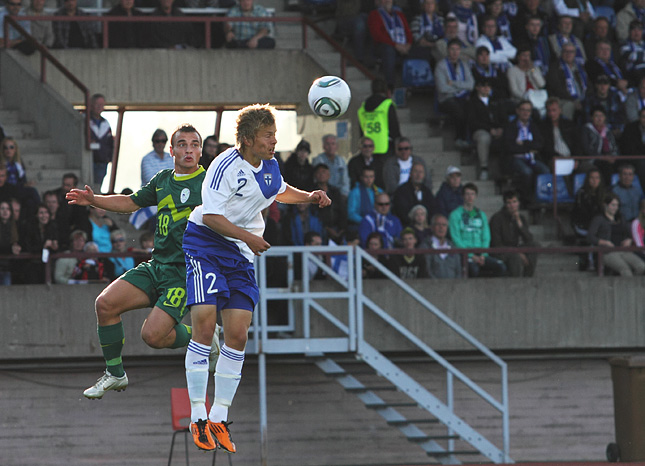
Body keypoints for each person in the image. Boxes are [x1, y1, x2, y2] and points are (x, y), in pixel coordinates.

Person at [181, 104, 331, 453]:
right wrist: (248, 237)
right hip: (206, 242)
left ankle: (218, 418)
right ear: (248, 140)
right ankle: (197, 416)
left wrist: (308, 197)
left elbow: (278, 190)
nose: (274, 141)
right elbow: (214, 216)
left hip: (240, 252)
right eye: (268, 136)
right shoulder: (223, 166)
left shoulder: (270, 166)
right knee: (204, 325)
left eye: (274, 135)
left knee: (238, 333)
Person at [65, 123, 207, 400]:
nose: (189, 149)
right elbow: (130, 202)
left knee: (152, 337)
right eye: (182, 144)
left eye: (194, 144)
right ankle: (115, 373)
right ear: (172, 151)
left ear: (201, 151)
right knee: (105, 304)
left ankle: (203, 335)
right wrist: (95, 200)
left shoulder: (210, 183)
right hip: (157, 266)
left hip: (184, 273)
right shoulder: (163, 179)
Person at [448, 182, 506, 277]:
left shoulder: (481, 214)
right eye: (467, 194)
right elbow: (456, 239)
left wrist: (483, 254)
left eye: (472, 194)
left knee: (501, 267)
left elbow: (486, 236)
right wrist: (471, 255)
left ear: (476, 196)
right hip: (464, 253)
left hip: (481, 252)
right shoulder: (455, 215)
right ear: (462, 196)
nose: (470, 197)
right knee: (473, 269)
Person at [587, 193, 645, 276]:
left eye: (617, 205)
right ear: (605, 205)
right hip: (607, 252)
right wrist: (604, 242)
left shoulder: (621, 218)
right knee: (625, 270)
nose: (615, 208)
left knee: (642, 267)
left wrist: (629, 239)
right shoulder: (599, 219)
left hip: (623, 250)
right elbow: (590, 237)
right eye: (613, 205)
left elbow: (629, 233)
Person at [504, 100, 549, 203]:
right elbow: (510, 147)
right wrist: (529, 146)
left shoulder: (534, 126)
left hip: (532, 157)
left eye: (528, 111)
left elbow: (540, 143)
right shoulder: (510, 126)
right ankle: (526, 198)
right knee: (527, 172)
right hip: (516, 158)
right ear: (517, 111)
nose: (526, 113)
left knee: (545, 170)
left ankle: (542, 196)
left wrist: (523, 143)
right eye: (523, 110)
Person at [489, 189, 539, 277]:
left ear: (518, 203)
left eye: (514, 202)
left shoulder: (521, 218)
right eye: (509, 203)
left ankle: (528, 278)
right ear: (505, 204)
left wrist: (520, 224)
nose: (512, 205)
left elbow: (529, 239)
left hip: (514, 249)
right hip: (500, 251)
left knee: (533, 245)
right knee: (515, 256)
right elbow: (496, 244)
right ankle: (516, 283)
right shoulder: (496, 218)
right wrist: (517, 252)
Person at [435, 38, 475, 147]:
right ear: (448, 50)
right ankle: (459, 138)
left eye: (457, 49)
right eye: (452, 49)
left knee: (471, 108)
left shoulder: (464, 65)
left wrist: (453, 83)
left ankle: (469, 139)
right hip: (446, 99)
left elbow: (471, 85)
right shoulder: (441, 66)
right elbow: (442, 88)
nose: (455, 52)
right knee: (458, 110)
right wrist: (461, 87)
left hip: (462, 97)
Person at [367, 0, 413, 88]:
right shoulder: (374, 15)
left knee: (418, 50)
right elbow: (378, 36)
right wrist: (395, 45)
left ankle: (413, 84)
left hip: (402, 46)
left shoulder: (399, 15)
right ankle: (390, 86)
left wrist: (408, 44)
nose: (387, 1)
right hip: (383, 46)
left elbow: (408, 32)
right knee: (389, 51)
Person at [467, 78, 505, 182]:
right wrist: (489, 129)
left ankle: (506, 169)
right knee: (484, 138)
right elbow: (472, 122)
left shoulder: (496, 101)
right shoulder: (472, 102)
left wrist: (500, 128)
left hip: (497, 129)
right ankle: (484, 168)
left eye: (488, 86)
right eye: (483, 86)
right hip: (480, 130)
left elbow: (503, 118)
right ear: (477, 88)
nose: (486, 88)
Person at [357, 78, 401, 158]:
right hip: (386, 148)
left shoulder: (363, 108)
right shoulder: (387, 105)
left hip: (368, 149)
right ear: (385, 89)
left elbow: (361, 130)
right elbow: (394, 127)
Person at [546, 42, 589, 120]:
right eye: (566, 51)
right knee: (569, 105)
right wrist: (574, 100)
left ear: (575, 54)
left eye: (571, 52)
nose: (569, 54)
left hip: (582, 98)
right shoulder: (555, 67)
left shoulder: (580, 67)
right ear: (561, 53)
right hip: (564, 99)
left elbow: (588, 84)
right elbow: (557, 88)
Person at [20, 203, 59, 284]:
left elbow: (58, 246)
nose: (44, 215)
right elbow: (29, 247)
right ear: (36, 215)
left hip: (48, 266)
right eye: (41, 213)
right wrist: (43, 246)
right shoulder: (30, 228)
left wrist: (54, 246)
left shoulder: (53, 227)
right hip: (33, 266)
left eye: (46, 212)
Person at [540, 97, 581, 170]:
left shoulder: (569, 124)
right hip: (554, 160)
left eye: (554, 110)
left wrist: (576, 159)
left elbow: (577, 144)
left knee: (590, 170)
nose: (552, 113)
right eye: (549, 111)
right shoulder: (543, 127)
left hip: (572, 158)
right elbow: (546, 149)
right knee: (563, 169)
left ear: (560, 110)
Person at [581, 106, 619, 184]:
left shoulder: (608, 131)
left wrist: (613, 157)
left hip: (608, 158)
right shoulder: (586, 129)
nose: (599, 118)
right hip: (593, 159)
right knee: (606, 166)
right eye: (596, 116)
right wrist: (603, 158)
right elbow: (586, 150)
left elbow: (614, 147)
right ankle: (607, 190)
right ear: (592, 118)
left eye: (601, 116)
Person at [311, 163, 347, 244]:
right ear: (315, 175)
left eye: (324, 172)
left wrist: (342, 229)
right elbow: (315, 213)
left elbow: (342, 210)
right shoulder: (312, 192)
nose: (321, 175)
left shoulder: (335, 191)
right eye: (319, 173)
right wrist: (327, 228)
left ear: (329, 175)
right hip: (322, 228)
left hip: (338, 227)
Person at [506, 46, 547, 114]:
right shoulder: (512, 71)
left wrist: (532, 70)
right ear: (518, 57)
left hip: (537, 99)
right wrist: (527, 98)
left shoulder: (534, 69)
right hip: (521, 100)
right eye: (524, 55)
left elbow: (542, 84)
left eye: (528, 55)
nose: (526, 58)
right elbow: (514, 91)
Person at [88, 94, 114, 191]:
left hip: (102, 163)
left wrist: (109, 158)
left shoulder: (106, 123)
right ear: (91, 105)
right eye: (97, 104)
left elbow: (110, 143)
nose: (99, 107)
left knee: (97, 189)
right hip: (90, 161)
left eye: (102, 104)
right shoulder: (84, 120)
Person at [425, 213, 462, 278]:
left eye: (444, 225)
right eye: (438, 224)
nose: (441, 227)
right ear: (432, 227)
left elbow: (459, 271)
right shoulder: (425, 246)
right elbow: (427, 271)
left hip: (454, 286)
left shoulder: (453, 247)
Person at [409, 0, 445, 67]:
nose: (429, 5)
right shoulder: (417, 19)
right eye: (427, 3)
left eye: (432, 3)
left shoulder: (440, 19)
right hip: (424, 46)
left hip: (438, 46)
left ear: (435, 5)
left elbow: (444, 36)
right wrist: (432, 45)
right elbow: (416, 37)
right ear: (423, 5)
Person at [347, 166, 384, 232]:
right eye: (366, 177)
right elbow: (351, 214)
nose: (369, 179)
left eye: (371, 177)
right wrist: (366, 221)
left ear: (374, 178)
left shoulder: (379, 191)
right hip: (360, 225)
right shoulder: (355, 192)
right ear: (361, 177)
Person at [620, 107, 645, 184]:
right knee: (642, 163)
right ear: (639, 118)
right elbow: (628, 149)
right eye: (643, 117)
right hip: (634, 158)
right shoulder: (630, 128)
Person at [619, 21, 645, 88]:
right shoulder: (624, 44)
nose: (636, 32)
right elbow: (632, 56)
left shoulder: (643, 44)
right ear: (629, 31)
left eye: (639, 29)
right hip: (633, 73)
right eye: (634, 29)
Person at [0, 200, 20, 285]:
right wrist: (10, 248)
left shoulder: (15, 226)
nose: (5, 211)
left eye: (7, 209)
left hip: (8, 267)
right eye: (2, 208)